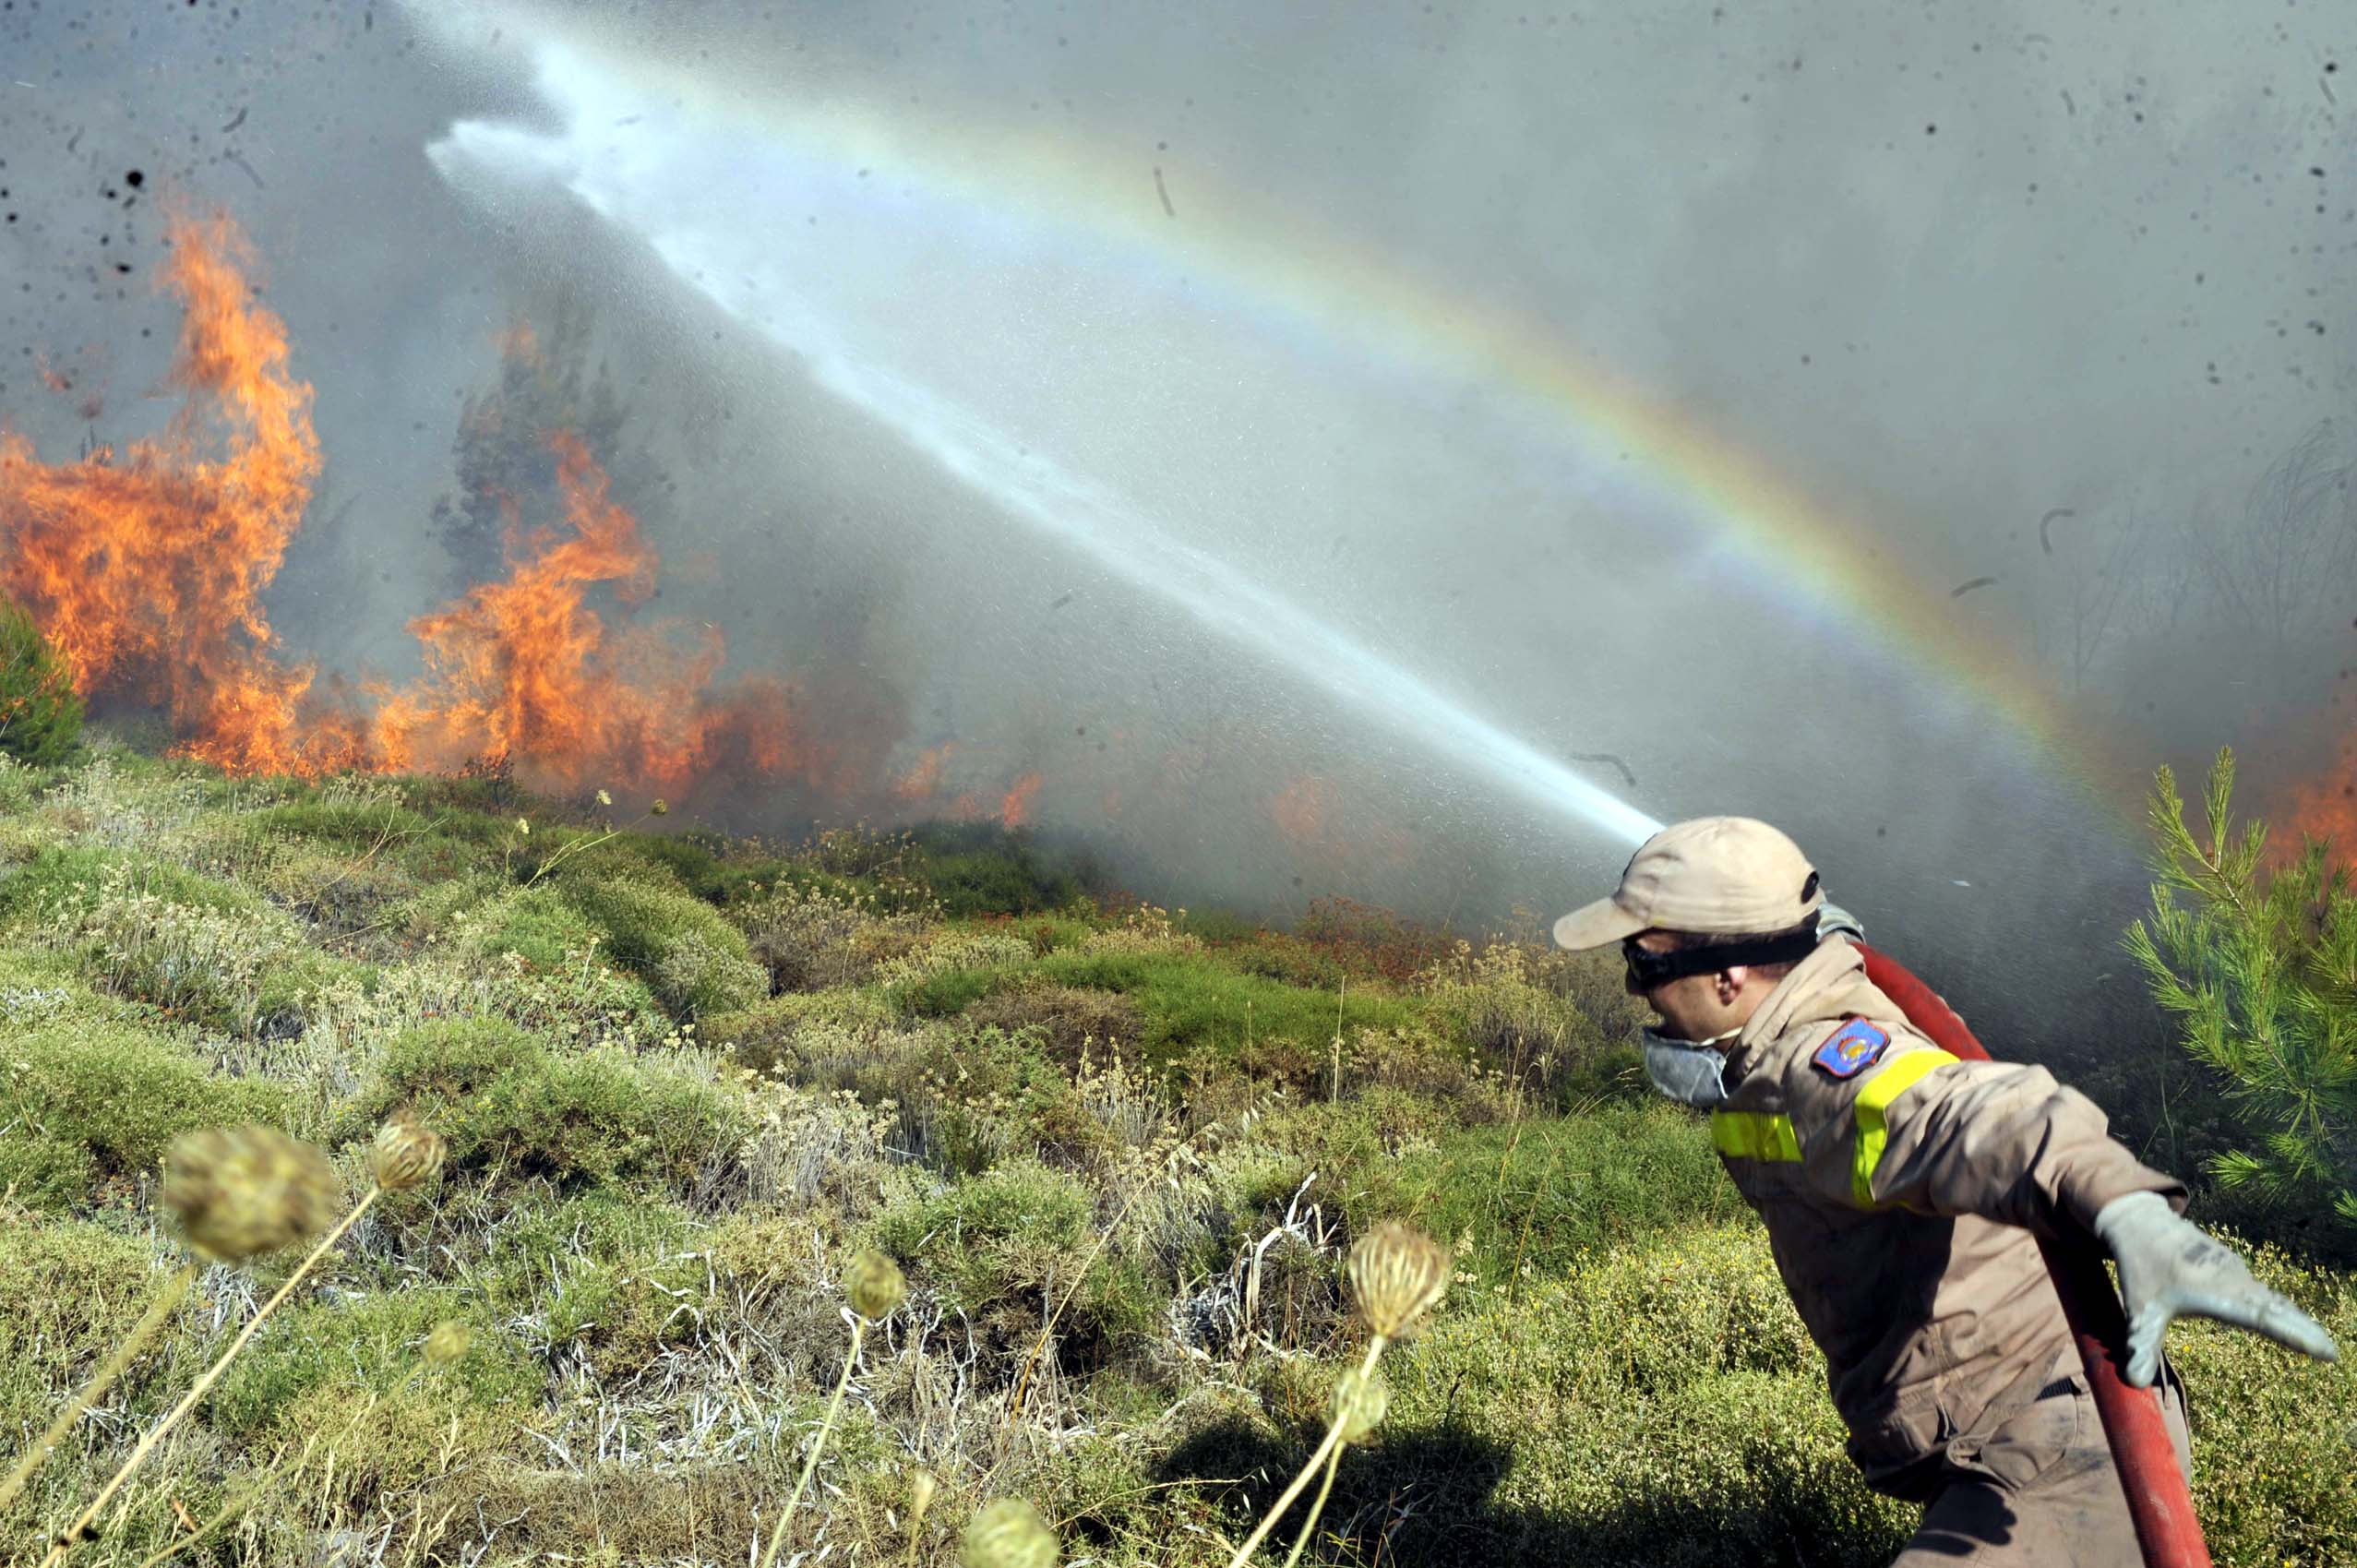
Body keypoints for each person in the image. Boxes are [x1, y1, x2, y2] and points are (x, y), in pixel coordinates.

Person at [1550, 816, 2339, 1567]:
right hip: (1993, 1431)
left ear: (1728, 976)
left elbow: (1972, 1114)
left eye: (1646, 963)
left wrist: (2126, 1206)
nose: (1634, 988)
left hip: (2060, 1442)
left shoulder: (1823, 1069)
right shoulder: (1777, 1034)